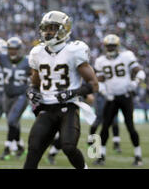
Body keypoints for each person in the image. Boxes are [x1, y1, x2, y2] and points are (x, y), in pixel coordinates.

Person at [23, 11, 99, 169]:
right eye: (46, 28)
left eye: (53, 28)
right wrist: (32, 91)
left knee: (69, 147)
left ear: (64, 29)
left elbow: (93, 84)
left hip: (68, 107)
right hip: (46, 108)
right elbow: (35, 83)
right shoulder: (37, 53)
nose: (48, 32)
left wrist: (73, 93)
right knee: (33, 151)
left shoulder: (74, 51)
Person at [93, 34, 145, 166]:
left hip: (125, 96)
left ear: (117, 46)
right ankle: (101, 156)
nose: (110, 48)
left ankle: (138, 156)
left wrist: (136, 82)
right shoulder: (100, 61)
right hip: (111, 98)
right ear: (105, 47)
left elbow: (140, 72)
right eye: (108, 46)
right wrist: (104, 92)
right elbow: (100, 81)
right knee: (104, 128)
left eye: (113, 46)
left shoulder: (127, 56)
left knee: (130, 126)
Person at [0, 37, 31, 160]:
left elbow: (37, 76)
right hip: (6, 95)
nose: (12, 52)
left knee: (11, 120)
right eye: (10, 49)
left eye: (15, 49)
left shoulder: (27, 61)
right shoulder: (3, 59)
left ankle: (7, 148)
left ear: (20, 49)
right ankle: (18, 146)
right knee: (10, 122)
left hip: (21, 95)